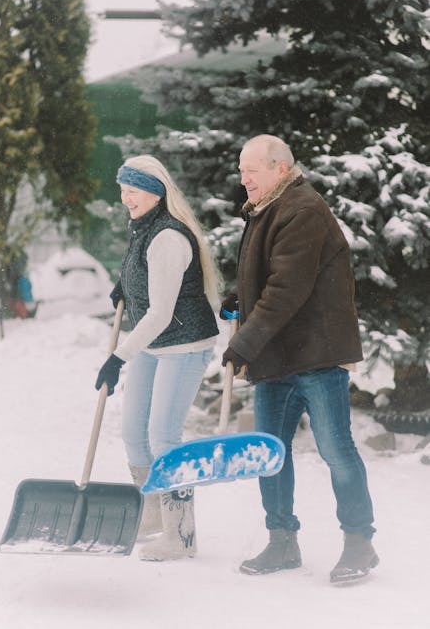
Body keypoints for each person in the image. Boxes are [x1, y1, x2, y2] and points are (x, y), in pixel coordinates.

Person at [221, 134, 378, 584]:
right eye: (241, 168)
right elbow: (274, 276)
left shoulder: (302, 210)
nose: (243, 177)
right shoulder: (269, 207)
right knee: (270, 453)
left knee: (336, 450)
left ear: (281, 169)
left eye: (252, 168)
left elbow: (288, 289)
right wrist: (240, 297)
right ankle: (282, 541)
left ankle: (359, 543)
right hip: (279, 354)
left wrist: (244, 344)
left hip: (316, 353)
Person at [95, 155, 219, 561]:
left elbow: (162, 312)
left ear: (155, 192)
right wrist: (125, 286)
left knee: (163, 437)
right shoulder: (145, 227)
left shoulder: (168, 236)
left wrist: (118, 357)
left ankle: (181, 535)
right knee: (134, 432)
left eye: (132, 191)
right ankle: (152, 516)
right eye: (123, 191)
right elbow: (144, 270)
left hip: (183, 343)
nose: (125, 198)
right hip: (156, 343)